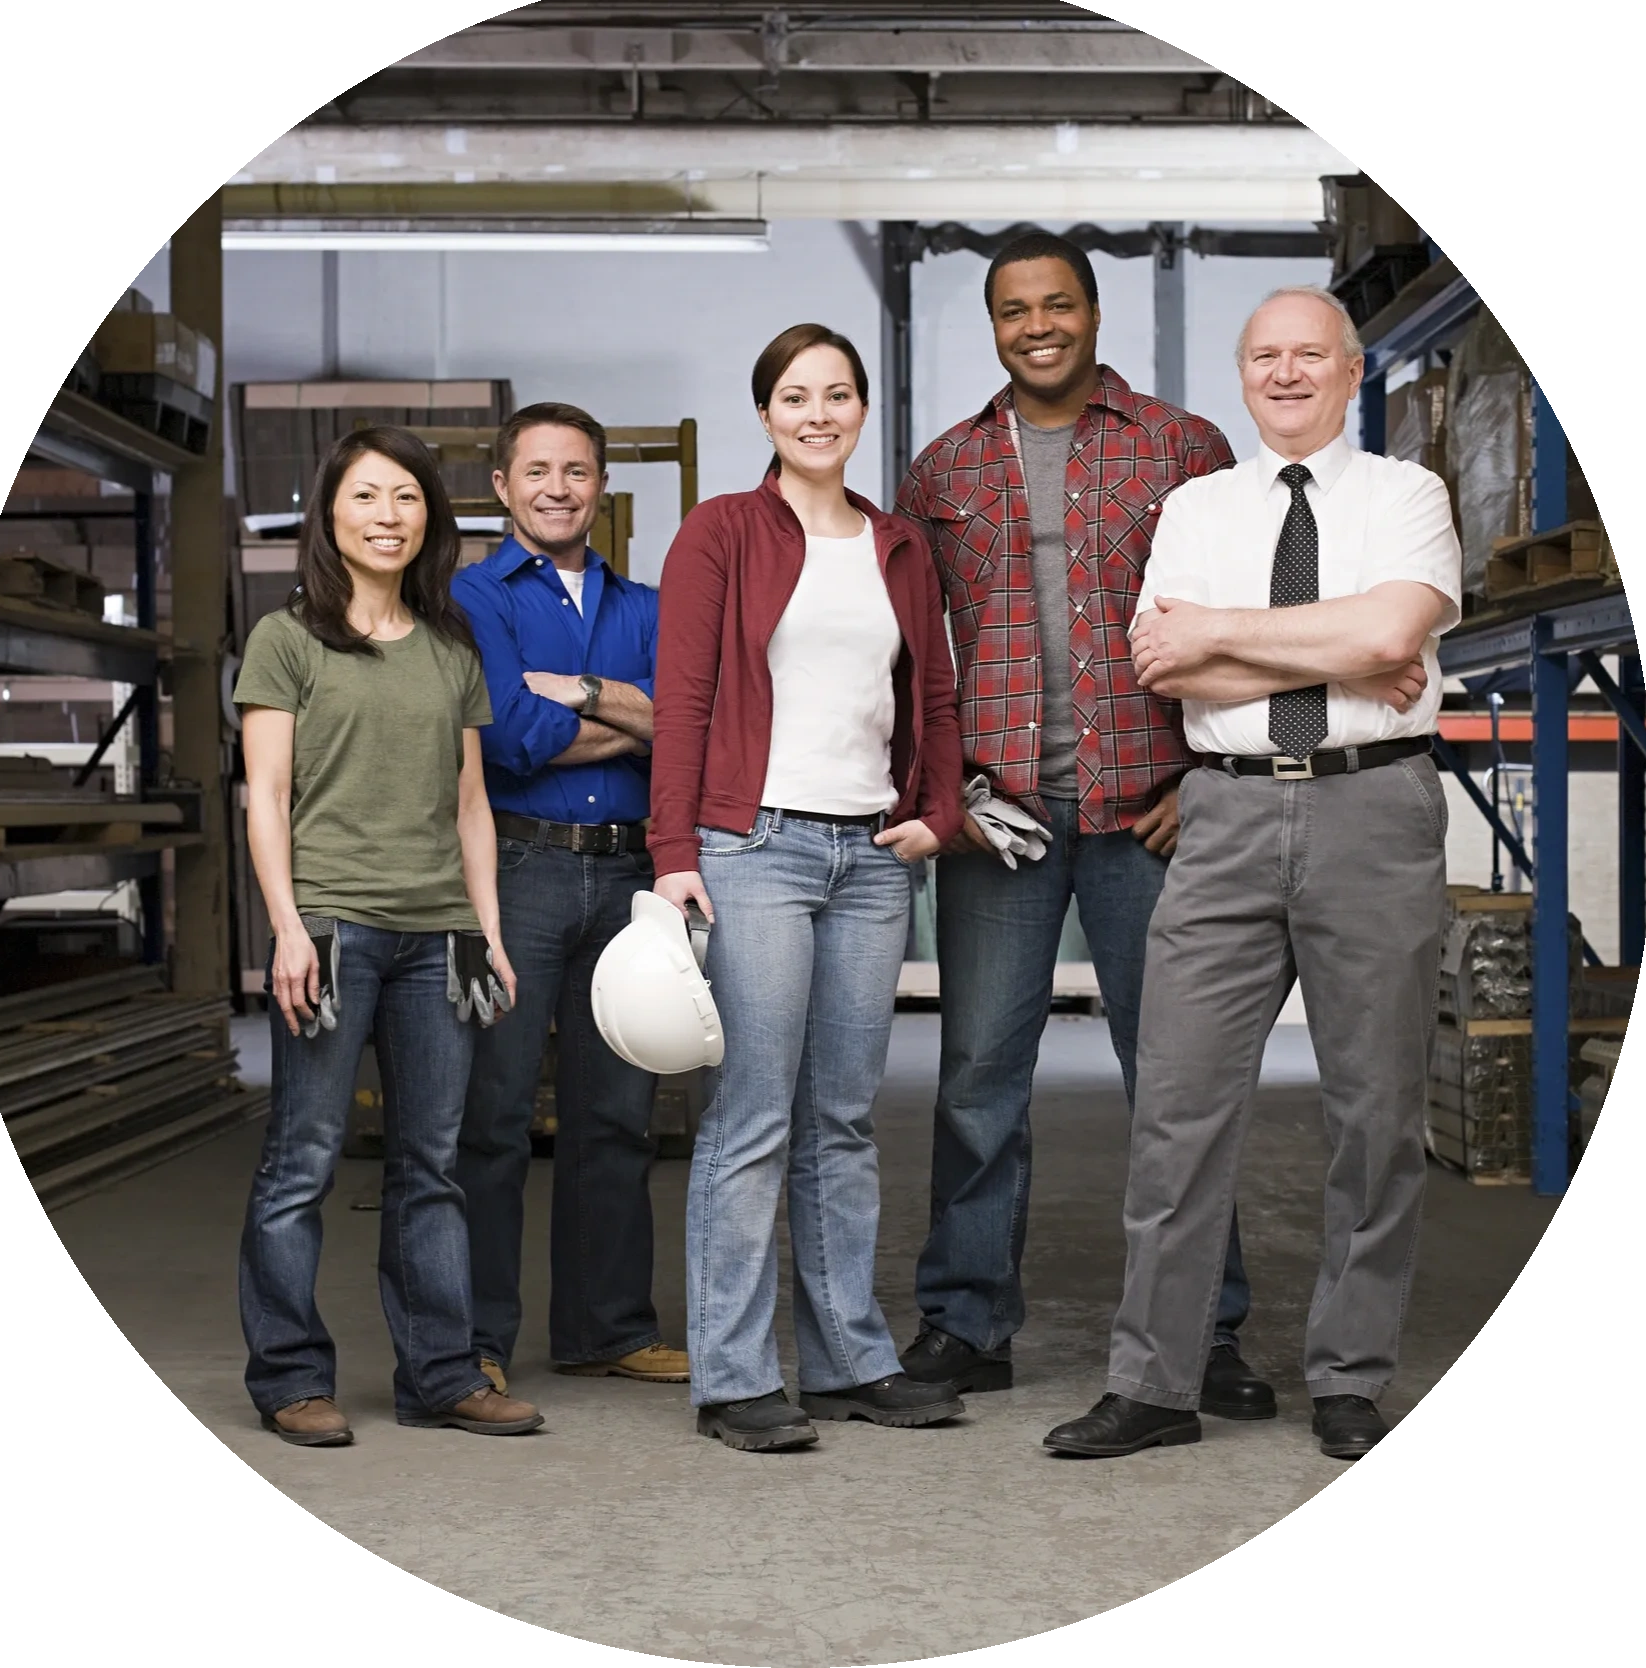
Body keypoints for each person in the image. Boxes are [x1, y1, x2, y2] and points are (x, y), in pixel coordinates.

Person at [1044, 285, 1458, 1462]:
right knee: (1176, 1110)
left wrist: (1235, 632)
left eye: (1307, 354)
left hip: (1374, 807)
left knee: (1374, 1114)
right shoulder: (1193, 505)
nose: (1285, 372)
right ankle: (1155, 1381)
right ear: (1243, 374)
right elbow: (1162, 666)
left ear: (1349, 368)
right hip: (1218, 820)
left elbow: (1390, 644)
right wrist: (1324, 639)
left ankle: (1348, 1376)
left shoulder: (1406, 495)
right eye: (1264, 354)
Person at [891, 230, 1275, 1421]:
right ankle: (965, 1321)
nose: (1036, 325)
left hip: (1148, 811)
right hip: (1001, 819)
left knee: (1176, 1081)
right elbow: (916, 650)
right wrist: (941, 794)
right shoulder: (944, 468)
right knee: (976, 1079)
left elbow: (1245, 621)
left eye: (1057, 303)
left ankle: (1198, 1329)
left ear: (1094, 313)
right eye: (1014, 309)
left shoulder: (1182, 446)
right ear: (994, 324)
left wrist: (1207, 780)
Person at [649, 322, 967, 1453]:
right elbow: (681, 699)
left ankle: (846, 1361)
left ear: (862, 410)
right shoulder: (721, 531)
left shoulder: (899, 543)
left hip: (872, 857)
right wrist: (673, 850)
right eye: (795, 395)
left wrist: (941, 808)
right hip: (755, 848)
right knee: (751, 1116)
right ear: (767, 413)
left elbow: (931, 690)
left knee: (842, 1119)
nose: (818, 413)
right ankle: (735, 1378)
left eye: (837, 394)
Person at [231, 425, 543, 1448]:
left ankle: (442, 1375)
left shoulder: (450, 647)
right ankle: (289, 1378)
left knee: (432, 1164)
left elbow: (469, 808)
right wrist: (285, 928)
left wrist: (488, 930)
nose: (387, 516)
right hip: (329, 929)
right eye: (366, 497)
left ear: (430, 518)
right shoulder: (287, 640)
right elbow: (265, 797)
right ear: (330, 513)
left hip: (435, 937)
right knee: (303, 1159)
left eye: (406, 498)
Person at [449, 402, 690, 1394]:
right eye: (537, 470)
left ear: (601, 487)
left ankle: (607, 1327)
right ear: (503, 486)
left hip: (630, 875)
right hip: (522, 868)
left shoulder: (648, 605)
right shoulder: (472, 596)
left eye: (577, 470)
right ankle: (475, 1338)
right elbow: (505, 736)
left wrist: (579, 693)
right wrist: (634, 712)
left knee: (618, 1113)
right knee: (496, 1111)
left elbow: (691, 722)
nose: (558, 487)